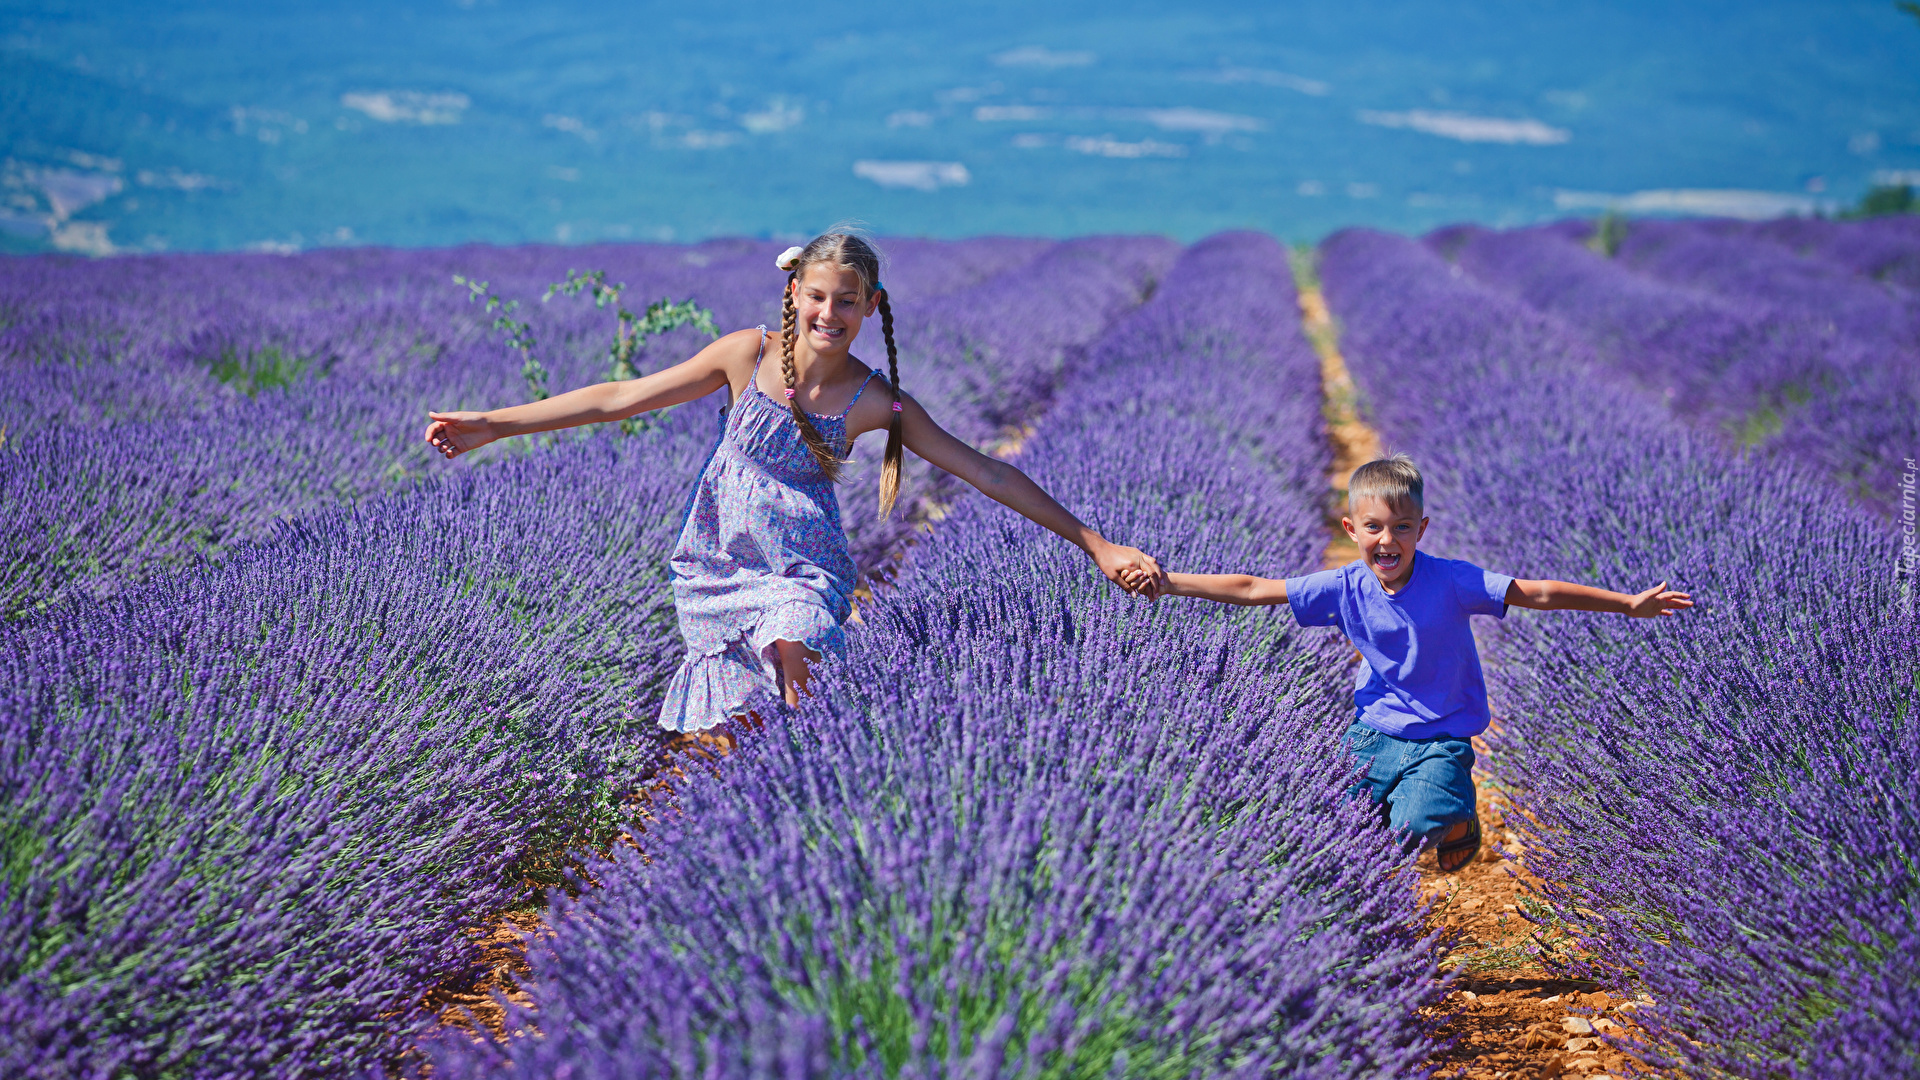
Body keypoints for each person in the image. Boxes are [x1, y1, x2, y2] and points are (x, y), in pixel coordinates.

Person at [425, 231, 1166, 740]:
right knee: (750, 719)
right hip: (718, 559)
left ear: (871, 306)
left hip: (801, 565)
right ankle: (780, 800)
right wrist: (495, 423)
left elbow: (987, 469)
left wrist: (1096, 544)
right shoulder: (746, 355)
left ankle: (814, 777)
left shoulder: (875, 400)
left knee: (795, 635)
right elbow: (622, 396)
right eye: (818, 296)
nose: (829, 313)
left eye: (848, 301)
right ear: (794, 290)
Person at [1126, 453, 1691, 871]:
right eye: (1373, 527)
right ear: (1352, 531)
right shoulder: (1344, 586)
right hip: (1372, 734)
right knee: (1339, 838)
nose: (1388, 539)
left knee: (1415, 827)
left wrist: (1627, 604)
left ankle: (1453, 813)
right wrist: (1170, 582)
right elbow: (1254, 589)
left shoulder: (1450, 580)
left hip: (1443, 734)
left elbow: (1535, 592)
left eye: (1402, 527)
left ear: (1422, 530)